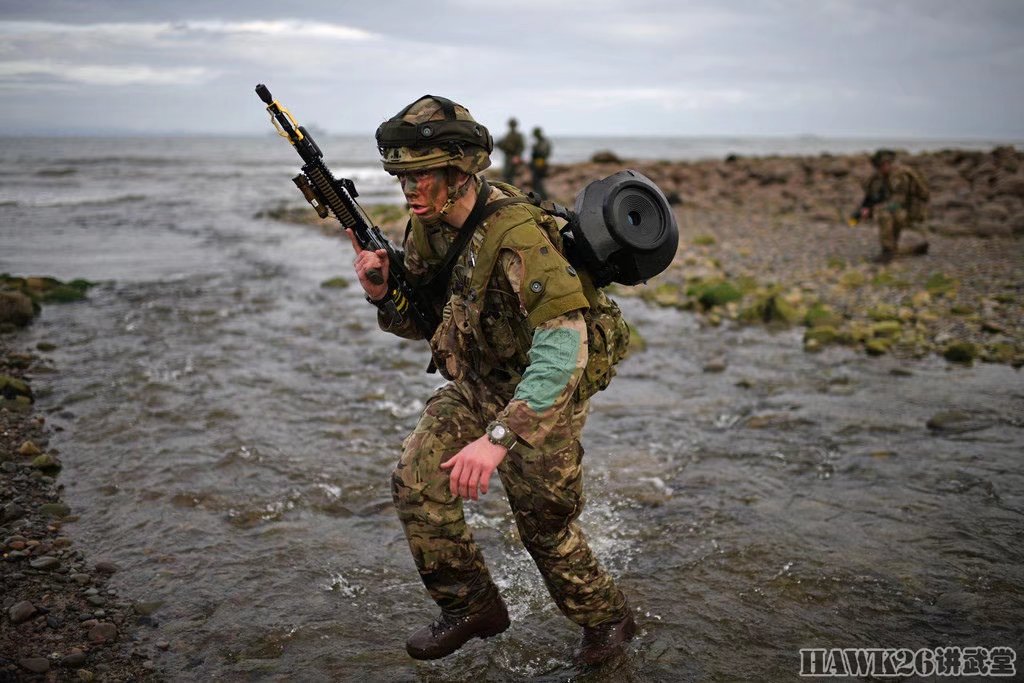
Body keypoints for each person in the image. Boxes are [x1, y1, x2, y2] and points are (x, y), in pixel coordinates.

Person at [347, 95, 635, 665]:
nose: (409, 190)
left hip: (540, 393)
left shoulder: (517, 238)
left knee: (545, 530)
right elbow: (430, 320)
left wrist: (498, 439)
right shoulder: (426, 227)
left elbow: (563, 349)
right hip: (479, 382)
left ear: (460, 173)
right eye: (402, 176)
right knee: (415, 480)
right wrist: (381, 290)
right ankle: (472, 605)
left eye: (421, 176)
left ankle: (609, 621)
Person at [857, 149, 930, 263]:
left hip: (910, 210)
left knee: (885, 214)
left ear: (890, 162)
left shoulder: (902, 175)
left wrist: (882, 207)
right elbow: (870, 196)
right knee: (886, 213)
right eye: (880, 165)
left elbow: (899, 201)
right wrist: (865, 208)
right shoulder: (878, 177)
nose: (883, 167)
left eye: (885, 164)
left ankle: (887, 251)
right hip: (898, 210)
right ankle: (893, 249)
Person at [496, 117, 525, 184]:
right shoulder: (508, 135)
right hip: (508, 156)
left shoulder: (518, 135)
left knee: (511, 175)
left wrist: (517, 156)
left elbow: (521, 147)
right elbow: (503, 145)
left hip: (513, 157)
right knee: (506, 175)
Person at [530, 127, 552, 200]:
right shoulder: (541, 141)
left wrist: (535, 151)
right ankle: (541, 197)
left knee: (538, 182)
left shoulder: (543, 141)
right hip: (538, 163)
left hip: (540, 163)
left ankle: (543, 198)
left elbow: (542, 152)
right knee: (536, 182)